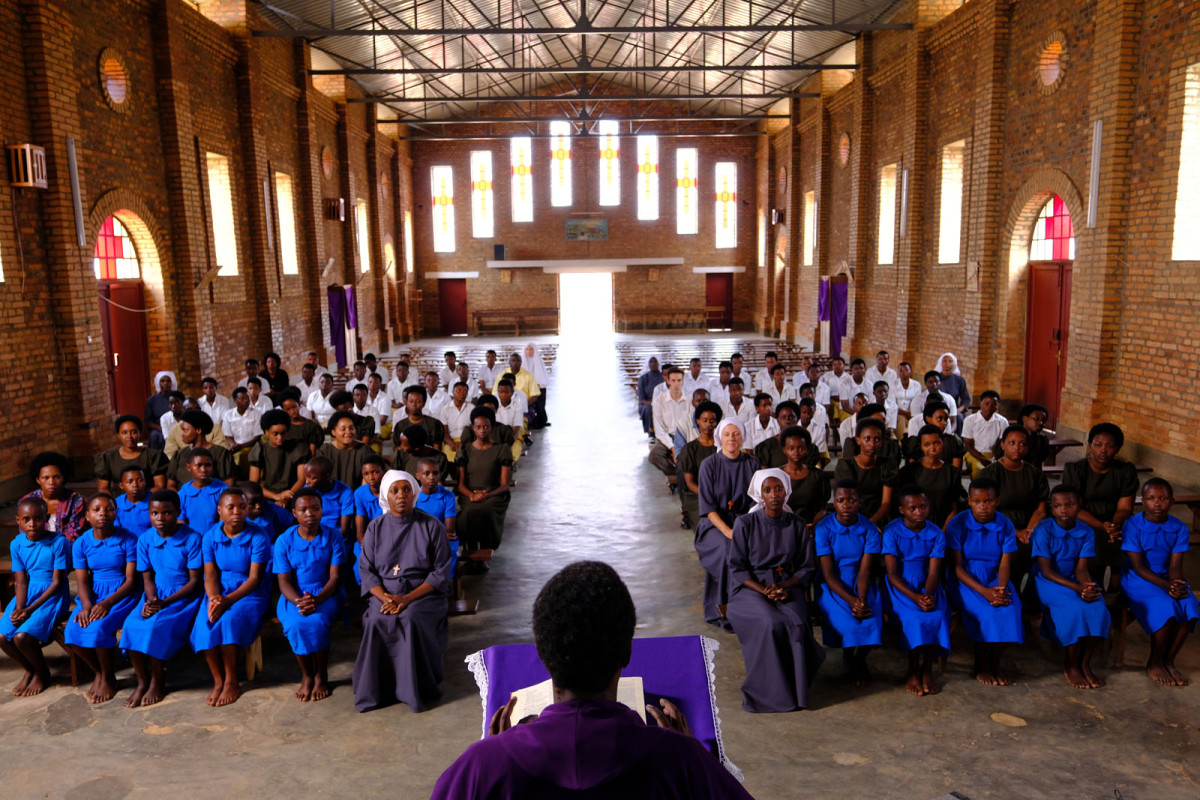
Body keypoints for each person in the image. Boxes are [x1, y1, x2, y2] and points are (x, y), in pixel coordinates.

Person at [432, 561, 752, 799]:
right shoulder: (681, 760)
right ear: (628, 652)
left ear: (542, 655)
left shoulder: (480, 767)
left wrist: (495, 753)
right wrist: (695, 754)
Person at [353, 469, 453, 713]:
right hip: (384, 592)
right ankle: (378, 689)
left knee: (409, 618)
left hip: (422, 593)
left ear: (414, 493)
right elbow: (366, 571)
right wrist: (386, 597)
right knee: (377, 618)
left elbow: (440, 572)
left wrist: (406, 598)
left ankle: (415, 688)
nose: (401, 496)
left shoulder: (432, 526)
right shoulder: (375, 527)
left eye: (406, 490)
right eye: (394, 491)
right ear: (386, 496)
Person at [727, 469, 823, 712]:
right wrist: (764, 590)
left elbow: (806, 566)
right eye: (767, 490)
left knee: (797, 624)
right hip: (749, 588)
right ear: (760, 494)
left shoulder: (798, 524)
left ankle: (797, 691)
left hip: (786, 585)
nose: (774, 495)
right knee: (770, 623)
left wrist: (784, 586)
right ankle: (770, 694)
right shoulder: (745, 523)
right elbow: (737, 568)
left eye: (778, 488)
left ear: (787, 491)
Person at [119, 490, 204, 706]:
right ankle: (141, 681)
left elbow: (194, 581)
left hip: (183, 596)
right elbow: (147, 577)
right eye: (154, 513)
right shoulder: (146, 539)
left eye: (166, 513)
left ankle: (158, 681)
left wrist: (163, 604)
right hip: (155, 594)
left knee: (154, 627)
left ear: (178, 512)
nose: (160, 518)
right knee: (131, 624)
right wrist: (151, 600)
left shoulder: (192, 539)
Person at [190, 488, 272, 707]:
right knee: (205, 622)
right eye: (231, 507)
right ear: (220, 510)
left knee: (229, 620)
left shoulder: (258, 535)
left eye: (242, 507)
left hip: (249, 591)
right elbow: (210, 574)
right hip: (220, 589)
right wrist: (214, 598)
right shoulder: (210, 536)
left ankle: (232, 680)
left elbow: (255, 579)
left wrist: (227, 601)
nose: (237, 512)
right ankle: (218, 681)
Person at [1030, 484, 1110, 689]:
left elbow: (1081, 569)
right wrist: (1078, 590)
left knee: (1097, 607)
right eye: (1058, 506)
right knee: (1074, 609)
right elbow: (1046, 571)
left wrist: (1087, 585)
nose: (1063, 510)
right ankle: (1071, 664)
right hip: (1049, 581)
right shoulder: (1043, 529)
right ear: (1051, 508)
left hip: (1074, 580)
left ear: (1079, 506)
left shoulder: (1086, 531)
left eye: (1069, 504)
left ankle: (1085, 663)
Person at [1120, 478, 1198, 687]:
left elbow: (1175, 566)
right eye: (1151, 498)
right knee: (1166, 606)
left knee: (1189, 604)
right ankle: (1154, 661)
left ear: (1171, 501)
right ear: (1143, 501)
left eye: (1163, 498)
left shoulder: (1178, 527)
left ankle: (1169, 659)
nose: (1157, 503)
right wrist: (1167, 587)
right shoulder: (1133, 524)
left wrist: (1177, 583)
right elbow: (1138, 567)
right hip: (1138, 578)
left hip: (1167, 576)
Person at [946, 478, 1023, 686]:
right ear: (969, 501)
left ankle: (995, 661)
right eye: (977, 501)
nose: (982, 507)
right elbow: (956, 567)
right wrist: (985, 592)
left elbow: (1005, 564)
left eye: (988, 501)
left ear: (997, 501)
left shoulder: (1005, 524)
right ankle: (981, 664)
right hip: (966, 580)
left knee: (1010, 609)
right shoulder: (958, 523)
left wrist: (1000, 589)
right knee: (986, 613)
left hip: (995, 578)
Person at [63, 493, 139, 704]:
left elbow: (132, 581)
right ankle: (100, 672)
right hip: (93, 594)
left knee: (98, 628)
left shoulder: (128, 539)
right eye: (96, 510)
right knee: (72, 630)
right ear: (87, 516)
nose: (103, 514)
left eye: (109, 509)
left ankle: (108, 676)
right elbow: (82, 581)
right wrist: (87, 605)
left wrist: (107, 603)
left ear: (116, 513)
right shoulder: (81, 543)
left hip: (121, 594)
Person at [274, 488, 345, 702]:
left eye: (315, 508)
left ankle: (321, 674)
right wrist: (299, 601)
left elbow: (334, 578)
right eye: (303, 509)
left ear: (322, 510)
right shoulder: (284, 541)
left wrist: (317, 600)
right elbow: (284, 581)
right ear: (294, 513)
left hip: (326, 594)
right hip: (293, 596)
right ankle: (306, 675)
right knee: (296, 624)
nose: (310, 514)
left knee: (318, 621)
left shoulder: (333, 537)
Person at [882, 486, 952, 696]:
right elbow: (892, 574)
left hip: (927, 585)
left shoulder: (936, 533)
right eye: (912, 508)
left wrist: (927, 595)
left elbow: (933, 572)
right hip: (901, 587)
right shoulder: (892, 531)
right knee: (915, 618)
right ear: (902, 510)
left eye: (923, 507)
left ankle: (927, 669)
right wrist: (915, 597)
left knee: (937, 615)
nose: (918, 512)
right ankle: (913, 669)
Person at [814, 480, 883, 685]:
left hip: (861, 581)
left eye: (852, 500)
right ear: (833, 503)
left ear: (860, 503)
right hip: (833, 585)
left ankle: (860, 658)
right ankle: (848, 657)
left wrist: (860, 599)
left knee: (872, 618)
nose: (846, 505)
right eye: (841, 500)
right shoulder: (824, 528)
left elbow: (865, 570)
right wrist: (851, 601)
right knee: (848, 622)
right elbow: (827, 573)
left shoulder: (869, 529)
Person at [0, 497, 70, 696]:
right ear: (18, 521)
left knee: (22, 637)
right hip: (28, 592)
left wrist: (29, 610)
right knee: (3, 637)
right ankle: (30, 669)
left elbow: (57, 583)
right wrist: (20, 608)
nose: (32, 524)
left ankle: (42, 673)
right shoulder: (17, 544)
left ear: (47, 518)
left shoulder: (59, 542)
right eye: (27, 519)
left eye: (38, 518)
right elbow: (21, 581)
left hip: (53, 595)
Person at [694, 419, 759, 629]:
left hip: (745, 522)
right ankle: (724, 608)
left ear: (743, 437)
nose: (732, 438)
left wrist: (742, 528)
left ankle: (752, 606)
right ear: (719, 438)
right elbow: (708, 509)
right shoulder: (708, 465)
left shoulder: (753, 464)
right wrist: (729, 531)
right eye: (727, 434)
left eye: (736, 434)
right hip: (714, 525)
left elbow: (756, 502)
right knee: (726, 550)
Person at [1063, 423, 1139, 589]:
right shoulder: (1076, 470)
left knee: (1124, 544)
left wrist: (1114, 525)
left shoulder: (1125, 471)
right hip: (1084, 520)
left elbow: (1125, 508)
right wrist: (1101, 526)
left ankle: (1118, 593)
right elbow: (1074, 508)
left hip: (1115, 522)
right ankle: (1093, 588)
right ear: (1090, 446)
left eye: (1110, 446)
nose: (1103, 450)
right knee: (1093, 545)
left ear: (1118, 449)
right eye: (1098, 445)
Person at [979, 425, 1050, 591]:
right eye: (1012, 443)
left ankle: (1033, 594)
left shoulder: (1035, 474)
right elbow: (986, 509)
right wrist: (1016, 532)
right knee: (1013, 553)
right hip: (997, 524)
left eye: (1022, 444)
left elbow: (1041, 508)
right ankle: (1007, 591)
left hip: (1030, 526)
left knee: (1044, 548)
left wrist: (1029, 531)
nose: (1017, 448)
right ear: (1003, 445)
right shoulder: (990, 473)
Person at [456, 407, 513, 550]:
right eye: (478, 427)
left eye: (486, 427)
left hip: (493, 495)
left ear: (492, 427)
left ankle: (486, 550)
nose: (482, 430)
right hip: (470, 494)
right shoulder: (465, 450)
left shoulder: (501, 449)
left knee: (486, 511)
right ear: (472, 428)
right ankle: (471, 549)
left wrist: (486, 495)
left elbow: (505, 484)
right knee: (468, 513)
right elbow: (461, 484)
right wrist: (472, 495)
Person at [833, 418, 897, 527]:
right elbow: (848, 500)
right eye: (867, 439)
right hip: (851, 516)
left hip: (879, 517)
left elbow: (886, 503)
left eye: (877, 439)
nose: (872, 444)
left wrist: (871, 524)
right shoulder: (846, 465)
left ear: (881, 442)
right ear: (858, 440)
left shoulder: (886, 465)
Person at [898, 425, 961, 528]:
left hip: (943, 525)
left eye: (936, 443)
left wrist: (943, 532)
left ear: (943, 443)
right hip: (914, 525)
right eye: (927, 444)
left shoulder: (952, 472)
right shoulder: (909, 471)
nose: (932, 449)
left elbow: (953, 509)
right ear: (921, 446)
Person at [23, 450, 87, 542]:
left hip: (67, 550)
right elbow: (26, 533)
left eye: (56, 477)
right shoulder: (27, 502)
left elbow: (74, 534)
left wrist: (55, 550)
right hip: (37, 550)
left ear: (62, 478)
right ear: (38, 480)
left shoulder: (76, 500)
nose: (51, 482)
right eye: (46, 478)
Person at [249, 409, 309, 505]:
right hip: (268, 494)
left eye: (283, 433)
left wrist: (285, 498)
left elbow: (301, 480)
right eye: (275, 434)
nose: (280, 437)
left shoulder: (298, 447)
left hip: (293, 492)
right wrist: (276, 496)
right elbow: (254, 484)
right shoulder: (260, 448)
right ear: (267, 432)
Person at [95, 415, 168, 493]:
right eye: (124, 433)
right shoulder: (108, 458)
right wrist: (115, 503)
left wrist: (142, 501)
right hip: (119, 502)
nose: (129, 436)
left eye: (134, 432)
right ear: (119, 435)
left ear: (139, 433)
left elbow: (159, 486)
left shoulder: (153, 456)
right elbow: (103, 488)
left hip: (148, 499)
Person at [679, 401, 721, 530]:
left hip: (721, 493)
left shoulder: (722, 446)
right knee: (705, 527)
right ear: (697, 421)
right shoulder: (690, 449)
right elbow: (690, 482)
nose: (708, 424)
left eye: (712, 421)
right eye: (705, 420)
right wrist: (707, 494)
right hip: (698, 496)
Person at [168, 410, 235, 487]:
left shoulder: (221, 453)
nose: (182, 435)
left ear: (198, 430)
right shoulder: (179, 455)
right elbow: (171, 485)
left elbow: (229, 484)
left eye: (185, 430)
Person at [415, 457, 459, 576]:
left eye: (435, 473)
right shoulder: (414, 497)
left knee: (445, 556)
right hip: (421, 538)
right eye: (426, 473)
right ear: (418, 476)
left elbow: (449, 530)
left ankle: (443, 586)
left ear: (439, 475)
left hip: (444, 539)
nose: (431, 477)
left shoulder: (447, 496)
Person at [777, 426, 829, 522]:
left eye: (800, 448)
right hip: (783, 526)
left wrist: (813, 526)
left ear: (807, 449)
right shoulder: (776, 475)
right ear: (784, 450)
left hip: (812, 526)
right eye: (791, 448)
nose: (796, 452)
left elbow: (823, 509)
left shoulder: (818, 475)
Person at [648, 367, 689, 483]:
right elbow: (659, 429)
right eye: (673, 380)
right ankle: (675, 474)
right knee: (654, 455)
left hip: (685, 435)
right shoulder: (658, 401)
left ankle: (688, 475)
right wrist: (672, 447)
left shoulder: (689, 400)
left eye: (679, 380)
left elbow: (692, 425)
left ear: (683, 381)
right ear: (668, 381)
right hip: (667, 436)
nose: (676, 384)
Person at [353, 455, 388, 583]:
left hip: (389, 535)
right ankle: (368, 591)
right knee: (361, 558)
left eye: (375, 472)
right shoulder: (360, 493)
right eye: (366, 474)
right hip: (369, 536)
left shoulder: (391, 490)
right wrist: (362, 539)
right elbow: (360, 517)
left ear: (383, 471)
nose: (371, 477)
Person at [302, 456, 354, 542]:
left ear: (327, 476)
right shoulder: (307, 490)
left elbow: (344, 530)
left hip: (336, 537)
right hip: (313, 535)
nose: (307, 481)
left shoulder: (345, 492)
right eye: (306, 477)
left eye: (313, 478)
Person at [903, 400, 965, 470]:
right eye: (940, 419)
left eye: (946, 419)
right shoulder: (916, 442)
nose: (944, 423)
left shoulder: (953, 441)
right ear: (928, 419)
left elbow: (956, 472)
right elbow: (911, 471)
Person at [962, 391, 1009, 477]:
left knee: (998, 471)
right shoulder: (970, 420)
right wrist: (981, 458)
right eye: (986, 403)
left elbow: (1003, 443)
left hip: (994, 455)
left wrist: (996, 458)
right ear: (980, 404)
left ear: (997, 406)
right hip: (974, 454)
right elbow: (968, 445)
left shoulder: (1002, 421)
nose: (989, 407)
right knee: (979, 469)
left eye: (993, 404)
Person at [319, 410, 369, 489]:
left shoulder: (364, 450)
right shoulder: (325, 450)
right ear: (333, 432)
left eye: (351, 428)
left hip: (356, 496)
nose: (348, 432)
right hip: (331, 494)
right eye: (343, 429)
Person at [177, 449, 225, 530]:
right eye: (198, 465)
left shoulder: (222, 490)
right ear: (189, 467)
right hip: (191, 539)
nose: (203, 469)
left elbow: (224, 521)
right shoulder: (184, 493)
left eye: (208, 465)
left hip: (215, 539)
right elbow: (180, 521)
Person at [222, 387, 263, 470]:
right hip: (235, 447)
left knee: (241, 456)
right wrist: (233, 445)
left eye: (247, 398)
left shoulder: (256, 414)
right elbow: (228, 435)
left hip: (252, 446)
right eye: (242, 398)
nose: (246, 400)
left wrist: (241, 446)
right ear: (235, 401)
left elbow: (257, 437)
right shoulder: (228, 414)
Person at [935, 353, 971, 431]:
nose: (947, 363)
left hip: (954, 410)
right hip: (938, 408)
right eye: (944, 361)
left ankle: (956, 440)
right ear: (941, 363)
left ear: (954, 363)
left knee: (958, 418)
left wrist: (959, 410)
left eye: (950, 361)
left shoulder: (959, 380)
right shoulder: (936, 378)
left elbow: (966, 399)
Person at [144, 371, 178, 449]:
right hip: (159, 429)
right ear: (158, 383)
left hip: (176, 426)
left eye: (168, 381)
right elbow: (148, 421)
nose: (165, 383)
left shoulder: (178, 397)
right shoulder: (152, 400)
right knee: (154, 436)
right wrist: (161, 428)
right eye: (162, 381)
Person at [438, 381, 474, 456]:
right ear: (453, 391)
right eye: (458, 390)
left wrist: (465, 443)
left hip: (468, 442)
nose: (461, 393)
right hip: (451, 441)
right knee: (448, 459)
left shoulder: (472, 408)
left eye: (465, 391)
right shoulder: (445, 409)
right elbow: (445, 432)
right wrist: (452, 444)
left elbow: (474, 429)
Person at [115, 465, 151, 534]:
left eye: (140, 480)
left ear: (145, 482)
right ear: (121, 485)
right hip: (125, 543)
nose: (135, 485)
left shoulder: (155, 501)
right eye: (130, 481)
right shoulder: (116, 504)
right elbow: (115, 530)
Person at [524, 343, 552, 428]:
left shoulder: (538, 361)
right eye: (527, 349)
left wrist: (536, 386)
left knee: (540, 405)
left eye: (531, 349)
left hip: (538, 386)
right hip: (526, 388)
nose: (529, 351)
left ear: (535, 351)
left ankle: (542, 421)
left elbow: (541, 376)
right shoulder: (522, 361)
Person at [637, 356, 665, 439]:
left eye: (655, 362)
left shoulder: (663, 377)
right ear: (648, 364)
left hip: (663, 401)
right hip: (648, 403)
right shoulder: (643, 378)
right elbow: (642, 400)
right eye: (651, 362)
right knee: (649, 409)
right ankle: (651, 433)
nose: (653, 364)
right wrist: (653, 403)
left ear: (658, 363)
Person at [1017, 403, 1052, 468]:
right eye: (1036, 418)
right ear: (1024, 418)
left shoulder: (1042, 440)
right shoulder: (1011, 436)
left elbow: (1041, 459)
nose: (1040, 423)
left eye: (1043, 420)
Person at [892, 361, 922, 431]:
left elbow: (917, 401)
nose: (904, 373)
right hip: (897, 413)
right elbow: (892, 403)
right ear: (898, 373)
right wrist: (906, 413)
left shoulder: (916, 385)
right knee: (901, 421)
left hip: (912, 413)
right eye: (901, 370)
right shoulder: (893, 384)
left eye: (906, 370)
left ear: (910, 372)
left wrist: (911, 413)